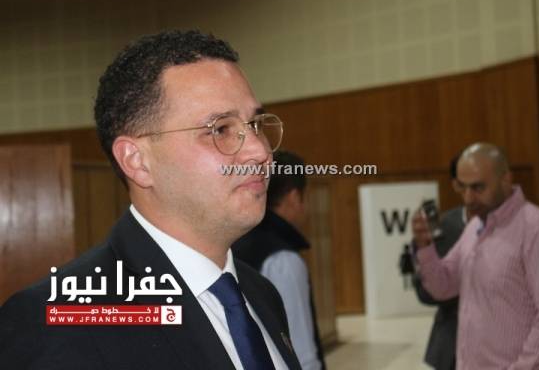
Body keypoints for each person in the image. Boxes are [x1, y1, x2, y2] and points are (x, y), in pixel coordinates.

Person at [0, 30, 302, 370]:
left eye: (256, 124)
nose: (260, 151)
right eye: (220, 129)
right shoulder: (56, 324)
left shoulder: (261, 294)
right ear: (137, 162)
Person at [412, 142, 539, 369]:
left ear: (505, 179)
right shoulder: (474, 227)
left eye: (478, 187)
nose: (468, 198)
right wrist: (425, 247)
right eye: (462, 187)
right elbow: (444, 285)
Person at [233, 150, 326, 370]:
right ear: (294, 197)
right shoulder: (283, 260)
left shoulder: (237, 240)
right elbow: (301, 352)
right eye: (305, 198)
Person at [412, 155, 471, 370]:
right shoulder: (439, 230)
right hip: (450, 345)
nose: (474, 192)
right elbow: (424, 293)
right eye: (468, 184)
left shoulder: (521, 227)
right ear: (456, 184)